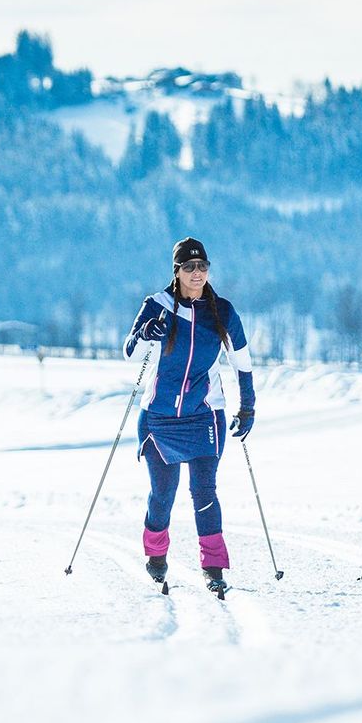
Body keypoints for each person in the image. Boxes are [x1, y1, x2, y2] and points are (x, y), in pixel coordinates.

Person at [123, 236, 254, 592]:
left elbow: (242, 361)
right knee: (162, 494)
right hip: (159, 417)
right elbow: (131, 354)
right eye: (189, 267)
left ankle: (213, 568)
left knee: (204, 491)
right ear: (177, 271)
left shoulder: (222, 311)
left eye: (203, 266)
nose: (197, 273)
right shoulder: (158, 305)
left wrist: (248, 405)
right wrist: (148, 333)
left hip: (204, 415)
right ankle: (155, 556)